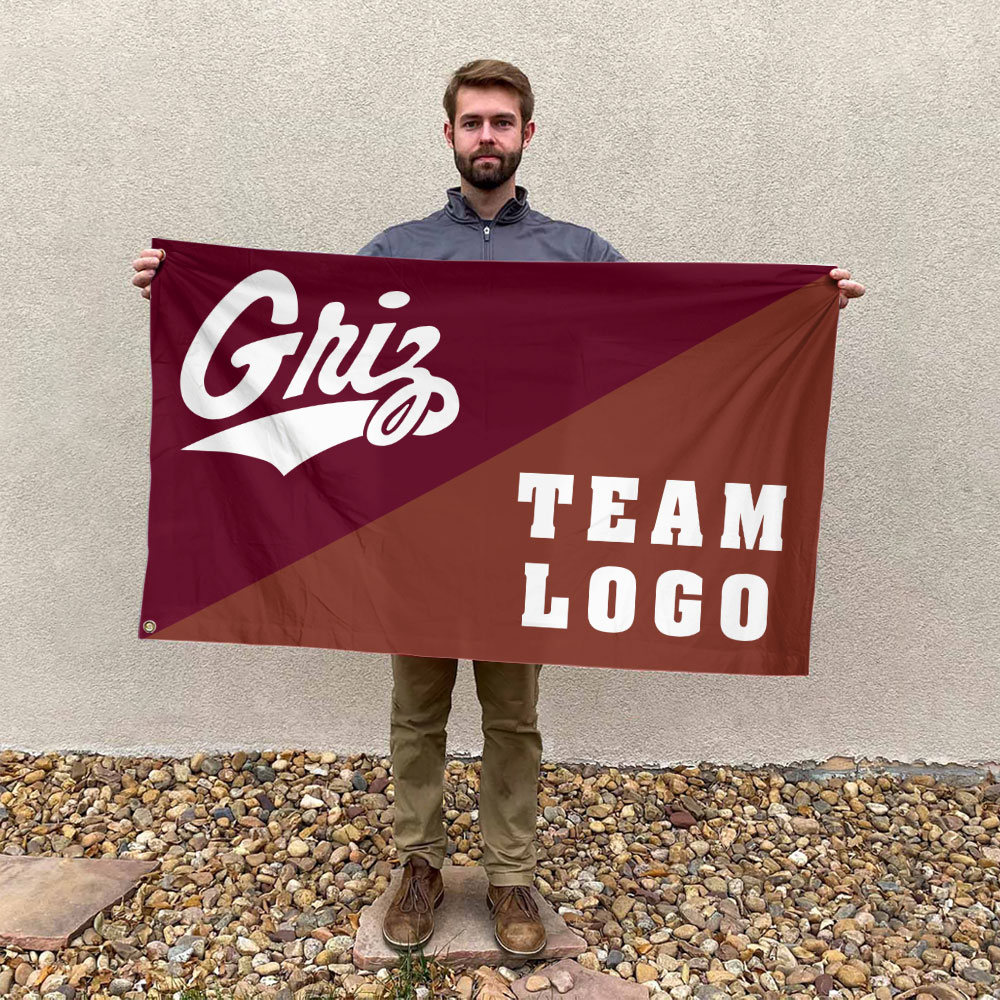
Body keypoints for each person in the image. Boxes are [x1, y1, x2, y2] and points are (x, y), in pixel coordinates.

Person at [129, 59, 866, 960]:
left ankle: (512, 871)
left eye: (503, 122)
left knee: (512, 712)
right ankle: (419, 865)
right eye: (473, 121)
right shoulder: (397, 251)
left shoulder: (578, 254)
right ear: (449, 134)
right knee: (417, 708)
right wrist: (181, 287)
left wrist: (800, 307)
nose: (488, 136)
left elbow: (673, 332)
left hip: (526, 519)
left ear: (527, 135)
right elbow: (299, 333)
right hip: (413, 520)